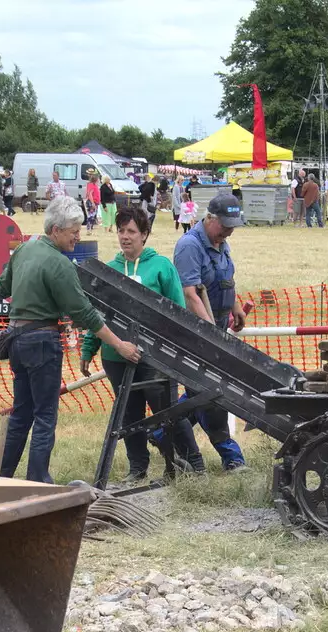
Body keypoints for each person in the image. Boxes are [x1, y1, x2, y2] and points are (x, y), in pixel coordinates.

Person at [0, 195, 140, 483]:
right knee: (45, 416)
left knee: (22, 413)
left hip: (17, 340)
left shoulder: (24, 249)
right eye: (74, 230)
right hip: (42, 343)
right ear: (55, 230)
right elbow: (85, 313)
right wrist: (119, 344)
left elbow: (2, 288)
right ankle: (38, 482)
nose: (78, 236)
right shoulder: (60, 264)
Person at [80, 205, 205, 481]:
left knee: (167, 410)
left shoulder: (161, 267)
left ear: (144, 235)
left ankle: (193, 462)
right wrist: (89, 349)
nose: (125, 236)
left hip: (155, 357)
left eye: (132, 231)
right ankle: (137, 468)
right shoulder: (109, 270)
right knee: (128, 414)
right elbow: (97, 314)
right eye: (121, 230)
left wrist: (177, 350)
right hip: (116, 356)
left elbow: (178, 312)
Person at [172, 193, 248, 470]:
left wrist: (235, 307)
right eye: (225, 224)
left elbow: (226, 279)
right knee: (212, 391)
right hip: (197, 331)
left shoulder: (221, 243)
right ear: (210, 218)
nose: (229, 230)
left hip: (217, 323)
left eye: (233, 225)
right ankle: (232, 456)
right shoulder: (189, 246)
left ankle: (160, 433)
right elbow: (190, 294)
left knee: (196, 393)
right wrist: (210, 334)